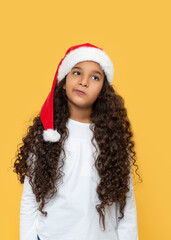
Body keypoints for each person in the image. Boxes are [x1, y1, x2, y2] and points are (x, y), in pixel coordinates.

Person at [13, 42, 141, 240]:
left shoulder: (114, 141)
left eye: (95, 77)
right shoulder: (47, 135)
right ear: (63, 81)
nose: (84, 82)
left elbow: (126, 205)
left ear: (103, 91)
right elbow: (30, 200)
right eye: (76, 73)